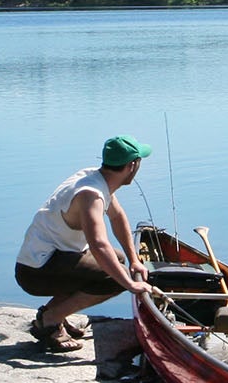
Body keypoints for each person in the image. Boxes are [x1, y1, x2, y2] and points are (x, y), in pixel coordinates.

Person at [13, 136, 153, 352]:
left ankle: (51, 314)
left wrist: (135, 260)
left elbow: (117, 217)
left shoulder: (96, 178)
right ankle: (52, 320)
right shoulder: (91, 195)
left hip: (51, 259)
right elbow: (98, 245)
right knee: (115, 278)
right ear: (132, 166)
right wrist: (130, 284)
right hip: (36, 271)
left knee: (119, 260)